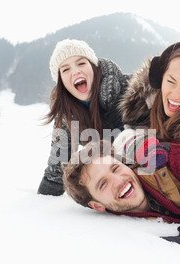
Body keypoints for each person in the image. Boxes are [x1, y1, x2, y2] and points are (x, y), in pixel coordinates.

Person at [62, 130, 180, 250]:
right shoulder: (118, 228)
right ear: (96, 205)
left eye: (116, 168)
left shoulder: (168, 160)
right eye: (102, 184)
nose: (118, 180)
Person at [38, 39, 130, 196]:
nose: (75, 72)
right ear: (61, 82)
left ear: (93, 67)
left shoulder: (129, 89)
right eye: (65, 70)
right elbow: (57, 170)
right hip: (114, 185)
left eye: (81, 63)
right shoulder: (67, 114)